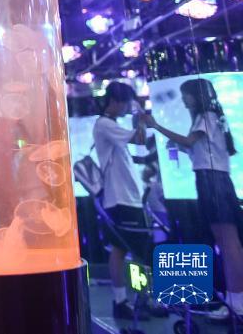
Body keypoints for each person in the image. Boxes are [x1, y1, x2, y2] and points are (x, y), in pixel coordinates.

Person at [145, 78, 243, 321]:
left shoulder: (206, 116)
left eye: (186, 94)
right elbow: (197, 149)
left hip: (212, 182)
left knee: (227, 242)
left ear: (197, 95)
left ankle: (237, 302)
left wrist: (156, 126)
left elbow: (191, 143)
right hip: (216, 180)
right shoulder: (212, 118)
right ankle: (235, 300)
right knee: (228, 241)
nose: (184, 100)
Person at [93, 81, 163, 320]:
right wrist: (141, 120)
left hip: (127, 198)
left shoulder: (110, 125)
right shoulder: (104, 124)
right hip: (121, 199)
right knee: (133, 250)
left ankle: (128, 300)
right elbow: (140, 139)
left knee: (124, 249)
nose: (126, 109)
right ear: (115, 101)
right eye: (125, 103)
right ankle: (134, 300)